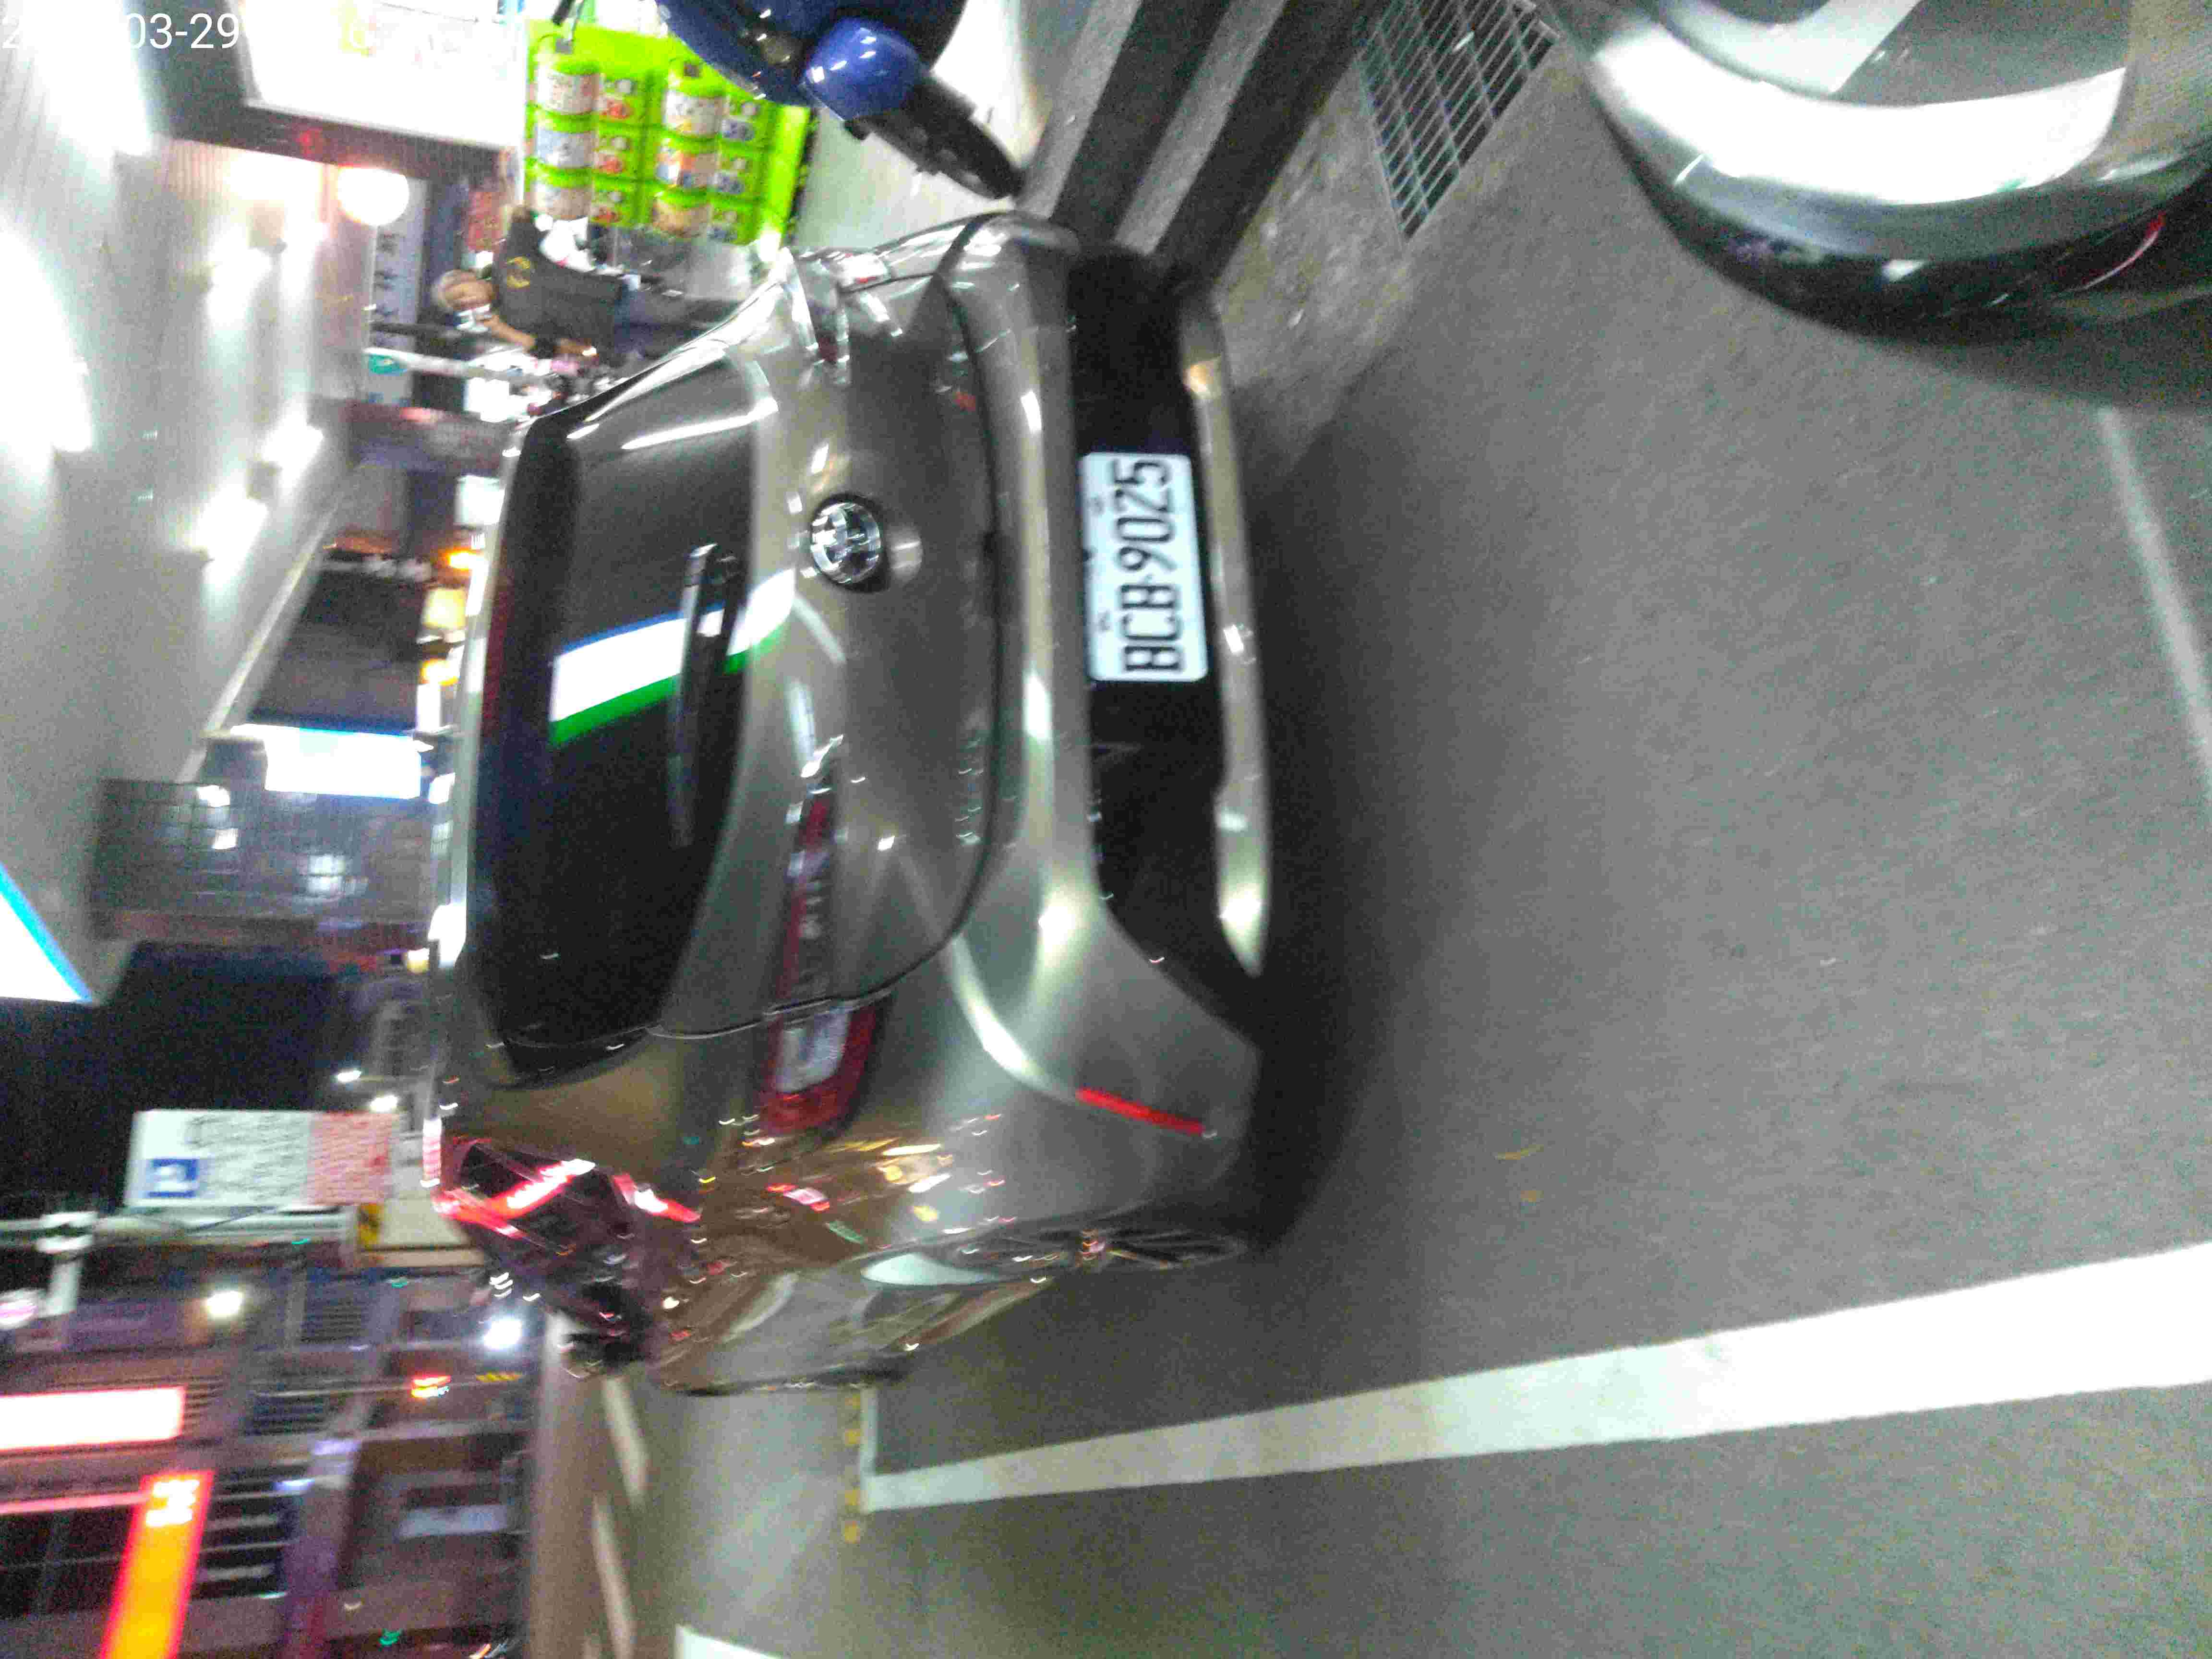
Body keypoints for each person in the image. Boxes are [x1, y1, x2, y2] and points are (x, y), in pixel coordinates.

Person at [432, 208, 736, 365]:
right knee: (680, 345)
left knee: (681, 312)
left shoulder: (508, 257)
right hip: (607, 336)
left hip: (613, 299)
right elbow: (548, 350)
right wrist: (504, 331)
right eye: (462, 305)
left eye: (462, 294)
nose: (469, 301)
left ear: (468, 277)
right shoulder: (505, 321)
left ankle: (748, 313)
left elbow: (524, 214)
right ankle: (738, 349)